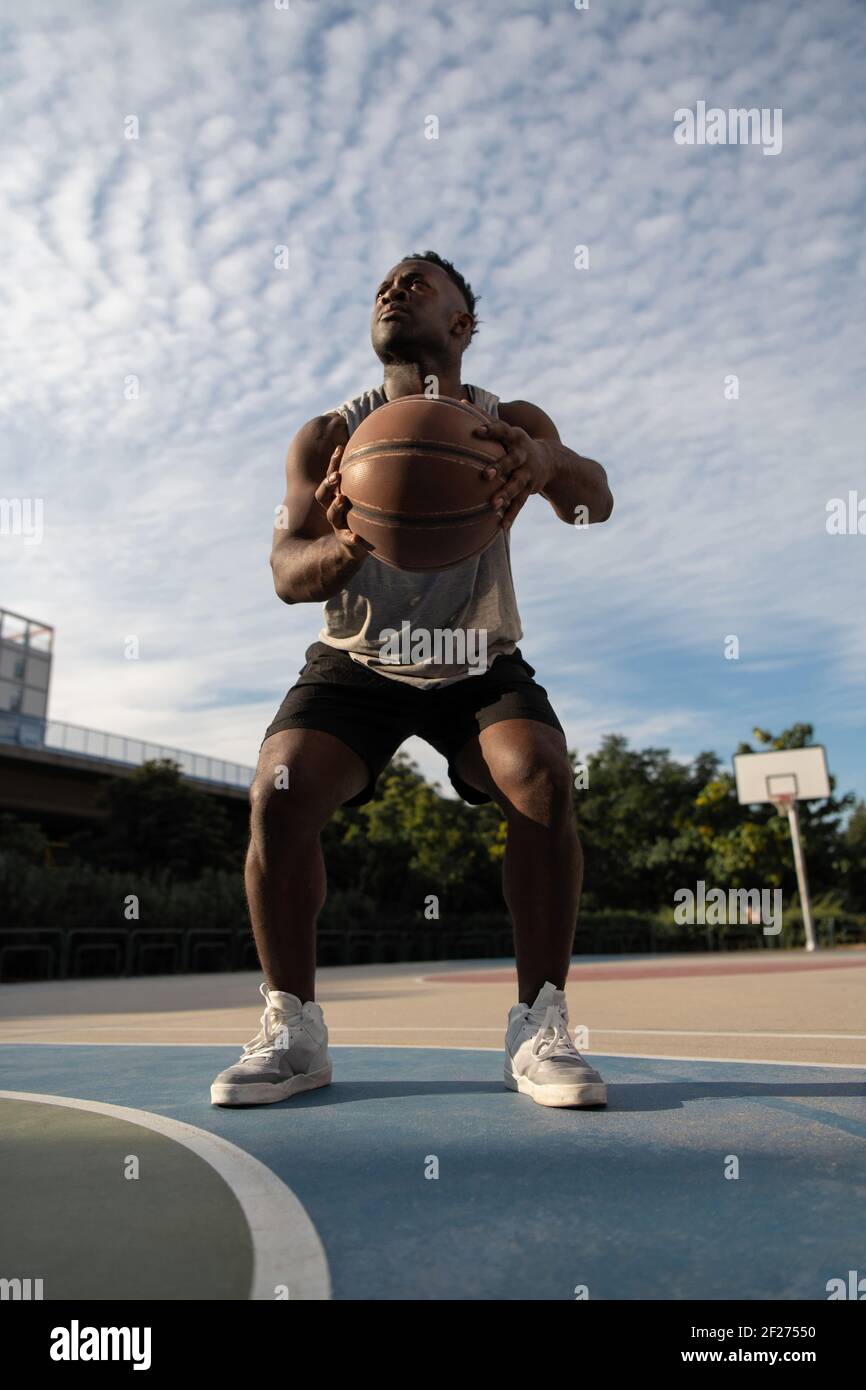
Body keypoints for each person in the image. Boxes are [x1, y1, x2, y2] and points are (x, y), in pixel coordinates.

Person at [210, 251, 613, 1111]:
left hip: (475, 659)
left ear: (463, 326)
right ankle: (294, 1029)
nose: (394, 289)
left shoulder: (511, 422)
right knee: (279, 792)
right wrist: (349, 542)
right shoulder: (326, 438)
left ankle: (540, 1023)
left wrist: (545, 463)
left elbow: (597, 501)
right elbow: (285, 571)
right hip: (357, 659)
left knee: (539, 775)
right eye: (385, 283)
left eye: (419, 284)